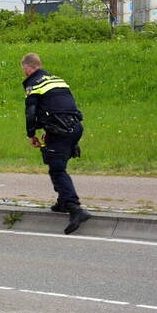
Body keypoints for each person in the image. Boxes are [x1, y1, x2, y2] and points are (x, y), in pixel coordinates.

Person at [21, 53, 92, 234]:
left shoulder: (34, 82)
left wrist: (32, 133)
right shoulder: (58, 80)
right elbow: (61, 107)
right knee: (58, 161)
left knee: (57, 168)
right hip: (74, 127)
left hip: (61, 130)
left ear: (28, 68)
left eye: (23, 70)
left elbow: (31, 111)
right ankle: (62, 202)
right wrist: (49, 129)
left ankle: (74, 208)